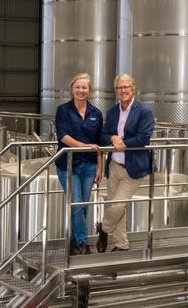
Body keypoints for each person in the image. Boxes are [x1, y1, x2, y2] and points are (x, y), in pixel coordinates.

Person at [96, 74, 154, 253]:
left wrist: (123, 143)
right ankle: (121, 245)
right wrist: (112, 137)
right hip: (114, 165)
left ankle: (103, 229)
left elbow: (144, 137)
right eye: (119, 88)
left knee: (118, 205)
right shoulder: (112, 112)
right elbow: (102, 136)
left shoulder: (144, 112)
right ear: (116, 91)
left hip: (134, 168)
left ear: (133, 88)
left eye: (126, 87)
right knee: (117, 208)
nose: (123, 90)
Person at [54, 73, 103, 255]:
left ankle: (74, 242)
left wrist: (99, 167)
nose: (81, 91)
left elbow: (100, 144)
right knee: (76, 204)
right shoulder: (63, 110)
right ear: (72, 89)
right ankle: (84, 244)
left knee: (83, 205)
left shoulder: (96, 114)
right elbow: (63, 136)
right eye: (78, 87)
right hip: (68, 165)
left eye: (84, 88)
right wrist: (84, 146)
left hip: (89, 166)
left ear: (89, 90)